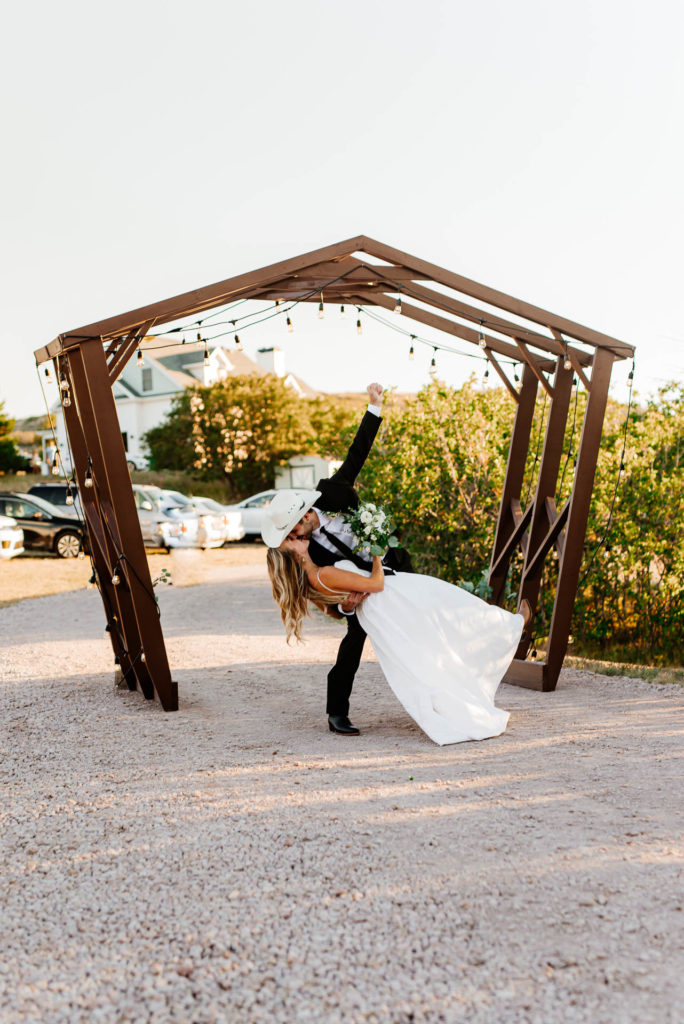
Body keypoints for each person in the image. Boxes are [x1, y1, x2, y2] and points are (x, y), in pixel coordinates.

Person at [268, 541, 531, 746]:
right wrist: (376, 553)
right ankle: (509, 626)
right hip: (388, 598)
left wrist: (345, 599)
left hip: (385, 603)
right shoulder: (321, 571)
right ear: (295, 556)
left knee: (439, 629)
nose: (296, 537)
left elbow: (339, 601)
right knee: (451, 609)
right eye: (291, 541)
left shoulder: (314, 572)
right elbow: (375, 584)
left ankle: (503, 630)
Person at [261, 383, 414, 736]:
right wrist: (345, 605)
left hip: (394, 563)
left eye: (298, 526)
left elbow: (357, 452)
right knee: (352, 646)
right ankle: (336, 713)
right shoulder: (306, 550)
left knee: (419, 614)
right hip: (363, 588)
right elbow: (319, 589)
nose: (300, 535)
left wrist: (374, 407)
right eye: (293, 535)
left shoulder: (333, 492)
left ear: (304, 511)